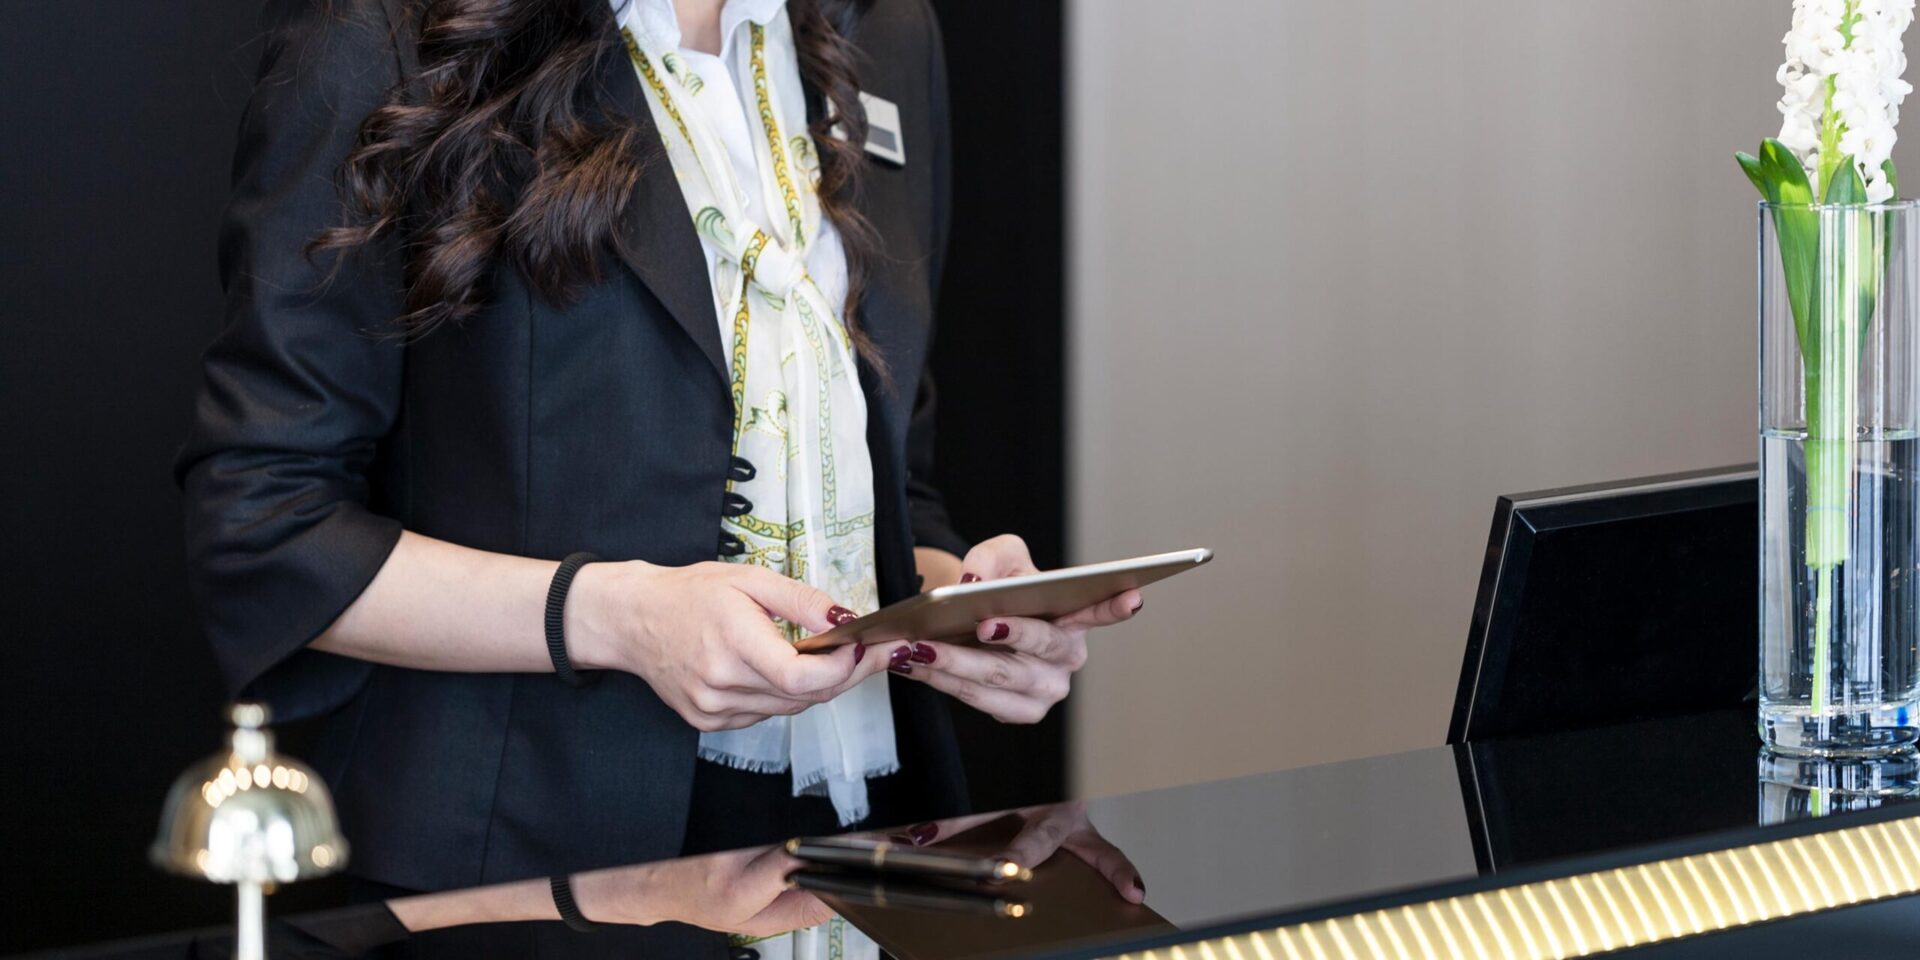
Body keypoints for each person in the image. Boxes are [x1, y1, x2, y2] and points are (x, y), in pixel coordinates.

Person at [176, 0, 1142, 949]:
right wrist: (618, 616)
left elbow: (892, 477)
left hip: (882, 844)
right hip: (535, 877)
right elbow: (265, 522)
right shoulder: (381, 27)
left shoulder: (884, 28)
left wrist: (964, 608)